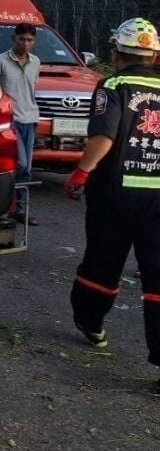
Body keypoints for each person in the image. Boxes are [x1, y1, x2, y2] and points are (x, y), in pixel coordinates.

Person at [65, 18, 160, 364]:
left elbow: (104, 136)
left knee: (104, 259)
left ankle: (92, 324)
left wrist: (81, 172)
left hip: (116, 194)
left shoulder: (113, 86)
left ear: (116, 52)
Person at [0, 23, 41, 225]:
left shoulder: (36, 62)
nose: (26, 43)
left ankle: (18, 209)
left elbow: (31, 90)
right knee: (18, 163)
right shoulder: (0, 61)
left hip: (30, 119)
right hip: (9, 121)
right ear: (14, 39)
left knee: (26, 169)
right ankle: (1, 207)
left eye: (30, 40)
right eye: (22, 39)